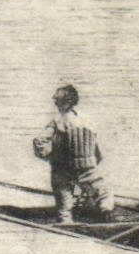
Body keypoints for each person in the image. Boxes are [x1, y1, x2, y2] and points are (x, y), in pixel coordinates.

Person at [33, 84, 112, 223]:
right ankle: (106, 211)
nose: (55, 102)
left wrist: (50, 156)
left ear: (66, 101)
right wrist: (89, 162)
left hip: (63, 169)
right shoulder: (88, 121)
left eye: (57, 100)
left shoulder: (57, 122)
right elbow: (98, 151)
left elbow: (39, 141)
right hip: (87, 168)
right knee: (103, 193)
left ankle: (66, 222)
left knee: (64, 200)